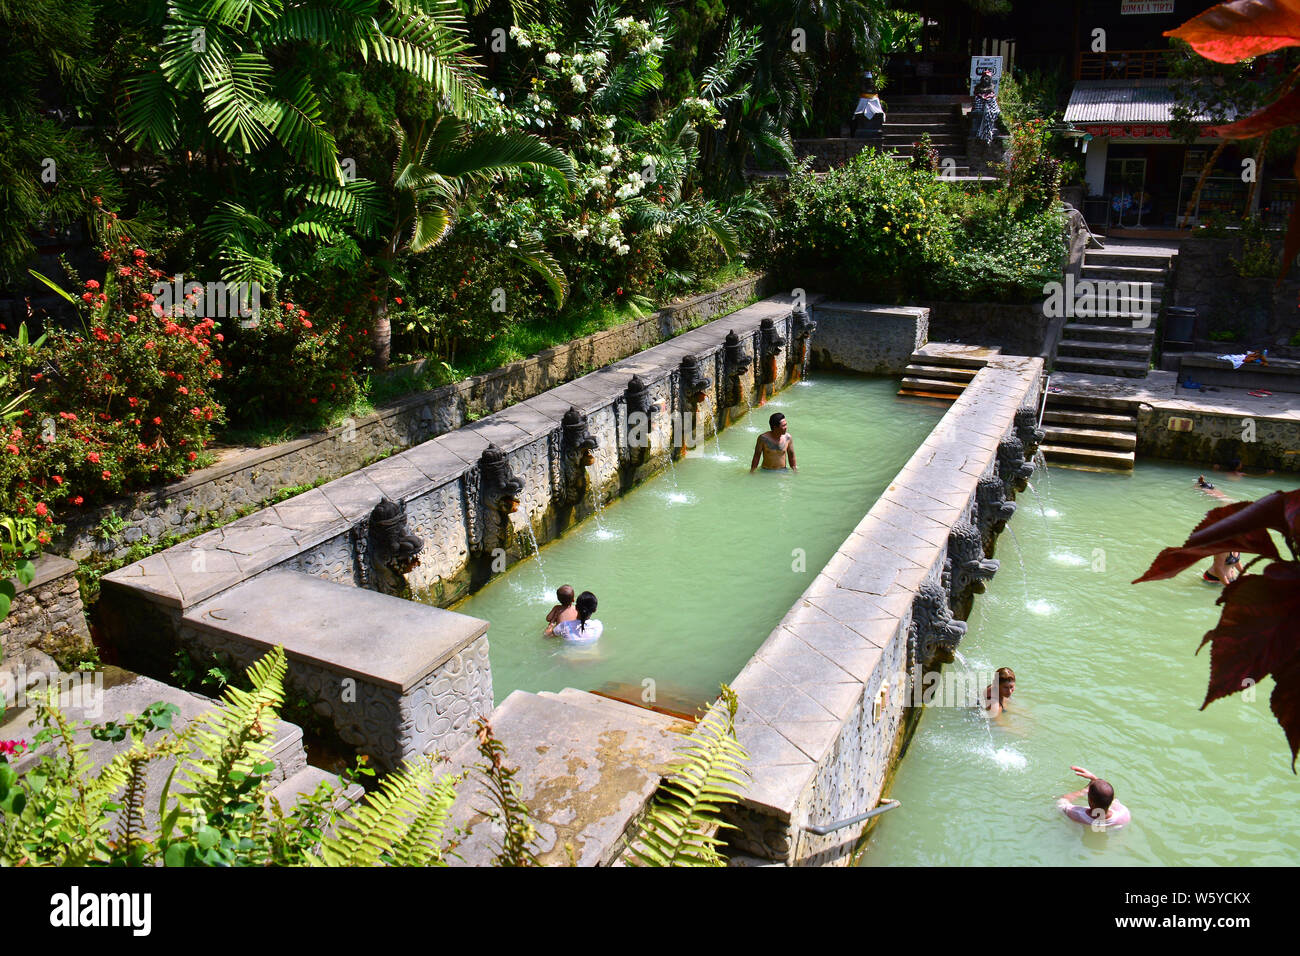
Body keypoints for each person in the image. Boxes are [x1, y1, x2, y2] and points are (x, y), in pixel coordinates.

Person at [1056, 766, 1131, 830]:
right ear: (1110, 801)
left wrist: (1083, 791)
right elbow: (1114, 800)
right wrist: (1095, 780)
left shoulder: (1077, 814)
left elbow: (1061, 802)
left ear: (1090, 801)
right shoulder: (1124, 815)